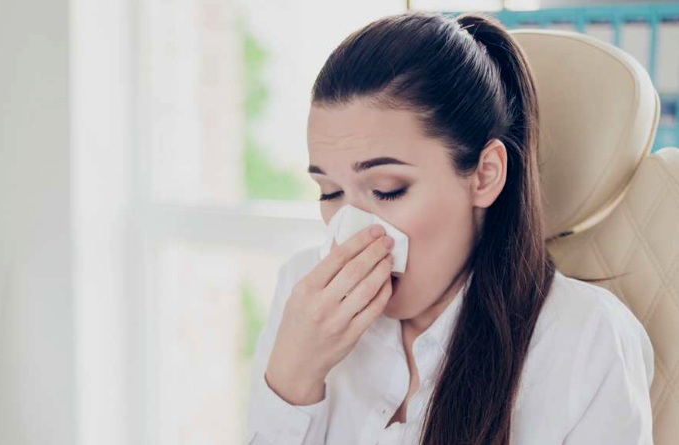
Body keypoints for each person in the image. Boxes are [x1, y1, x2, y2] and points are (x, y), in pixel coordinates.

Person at [243, 10, 654, 445]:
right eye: (329, 193)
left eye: (387, 190)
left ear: (485, 175)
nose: (348, 231)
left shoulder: (585, 339)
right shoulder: (302, 298)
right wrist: (292, 379)